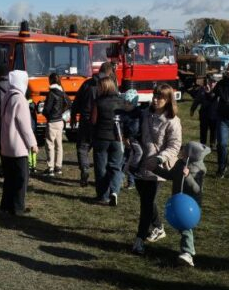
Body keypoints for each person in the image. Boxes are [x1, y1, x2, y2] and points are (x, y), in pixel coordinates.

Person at [132, 84, 182, 255]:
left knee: (146, 204)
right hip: (139, 163)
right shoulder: (144, 114)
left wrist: (159, 158)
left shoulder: (173, 121)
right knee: (146, 201)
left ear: (168, 100)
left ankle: (139, 239)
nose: (155, 99)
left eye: (160, 97)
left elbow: (175, 146)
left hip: (157, 168)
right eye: (154, 95)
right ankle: (159, 227)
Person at [166, 141, 210, 267]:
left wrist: (188, 176)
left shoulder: (199, 169)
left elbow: (197, 189)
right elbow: (170, 176)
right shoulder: (180, 164)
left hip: (191, 204)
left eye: (184, 150)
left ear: (191, 155)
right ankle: (189, 250)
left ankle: (188, 253)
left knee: (185, 227)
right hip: (179, 201)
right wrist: (154, 168)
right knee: (183, 227)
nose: (181, 151)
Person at [0, 70, 36, 215]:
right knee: (21, 178)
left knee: (9, 178)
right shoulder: (20, 98)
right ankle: (18, 207)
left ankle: (6, 204)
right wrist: (32, 143)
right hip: (18, 146)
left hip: (6, 143)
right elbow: (24, 125)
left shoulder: (7, 95)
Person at [91, 77, 133, 206]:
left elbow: (93, 120)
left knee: (101, 168)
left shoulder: (98, 102)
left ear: (103, 87)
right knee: (116, 167)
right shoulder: (121, 101)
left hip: (101, 137)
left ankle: (103, 196)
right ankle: (114, 191)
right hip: (118, 138)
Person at [71, 63, 113, 187]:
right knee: (101, 151)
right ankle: (102, 179)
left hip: (86, 119)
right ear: (109, 72)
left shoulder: (87, 83)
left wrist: (74, 115)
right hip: (102, 122)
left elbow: (77, 100)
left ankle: (84, 169)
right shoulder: (110, 85)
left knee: (83, 147)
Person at [41, 73, 69, 177]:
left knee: (49, 145)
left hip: (52, 121)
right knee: (59, 145)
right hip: (60, 121)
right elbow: (69, 102)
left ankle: (50, 168)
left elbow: (47, 108)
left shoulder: (51, 93)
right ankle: (58, 167)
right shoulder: (62, 91)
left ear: (51, 80)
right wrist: (61, 111)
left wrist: (45, 114)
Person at [189, 76, 218, 147]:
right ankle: (202, 144)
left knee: (214, 130)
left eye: (214, 82)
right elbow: (197, 100)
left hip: (214, 114)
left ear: (216, 83)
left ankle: (212, 144)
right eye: (211, 81)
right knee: (203, 130)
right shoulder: (202, 89)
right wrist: (192, 109)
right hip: (204, 114)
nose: (212, 84)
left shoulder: (218, 90)